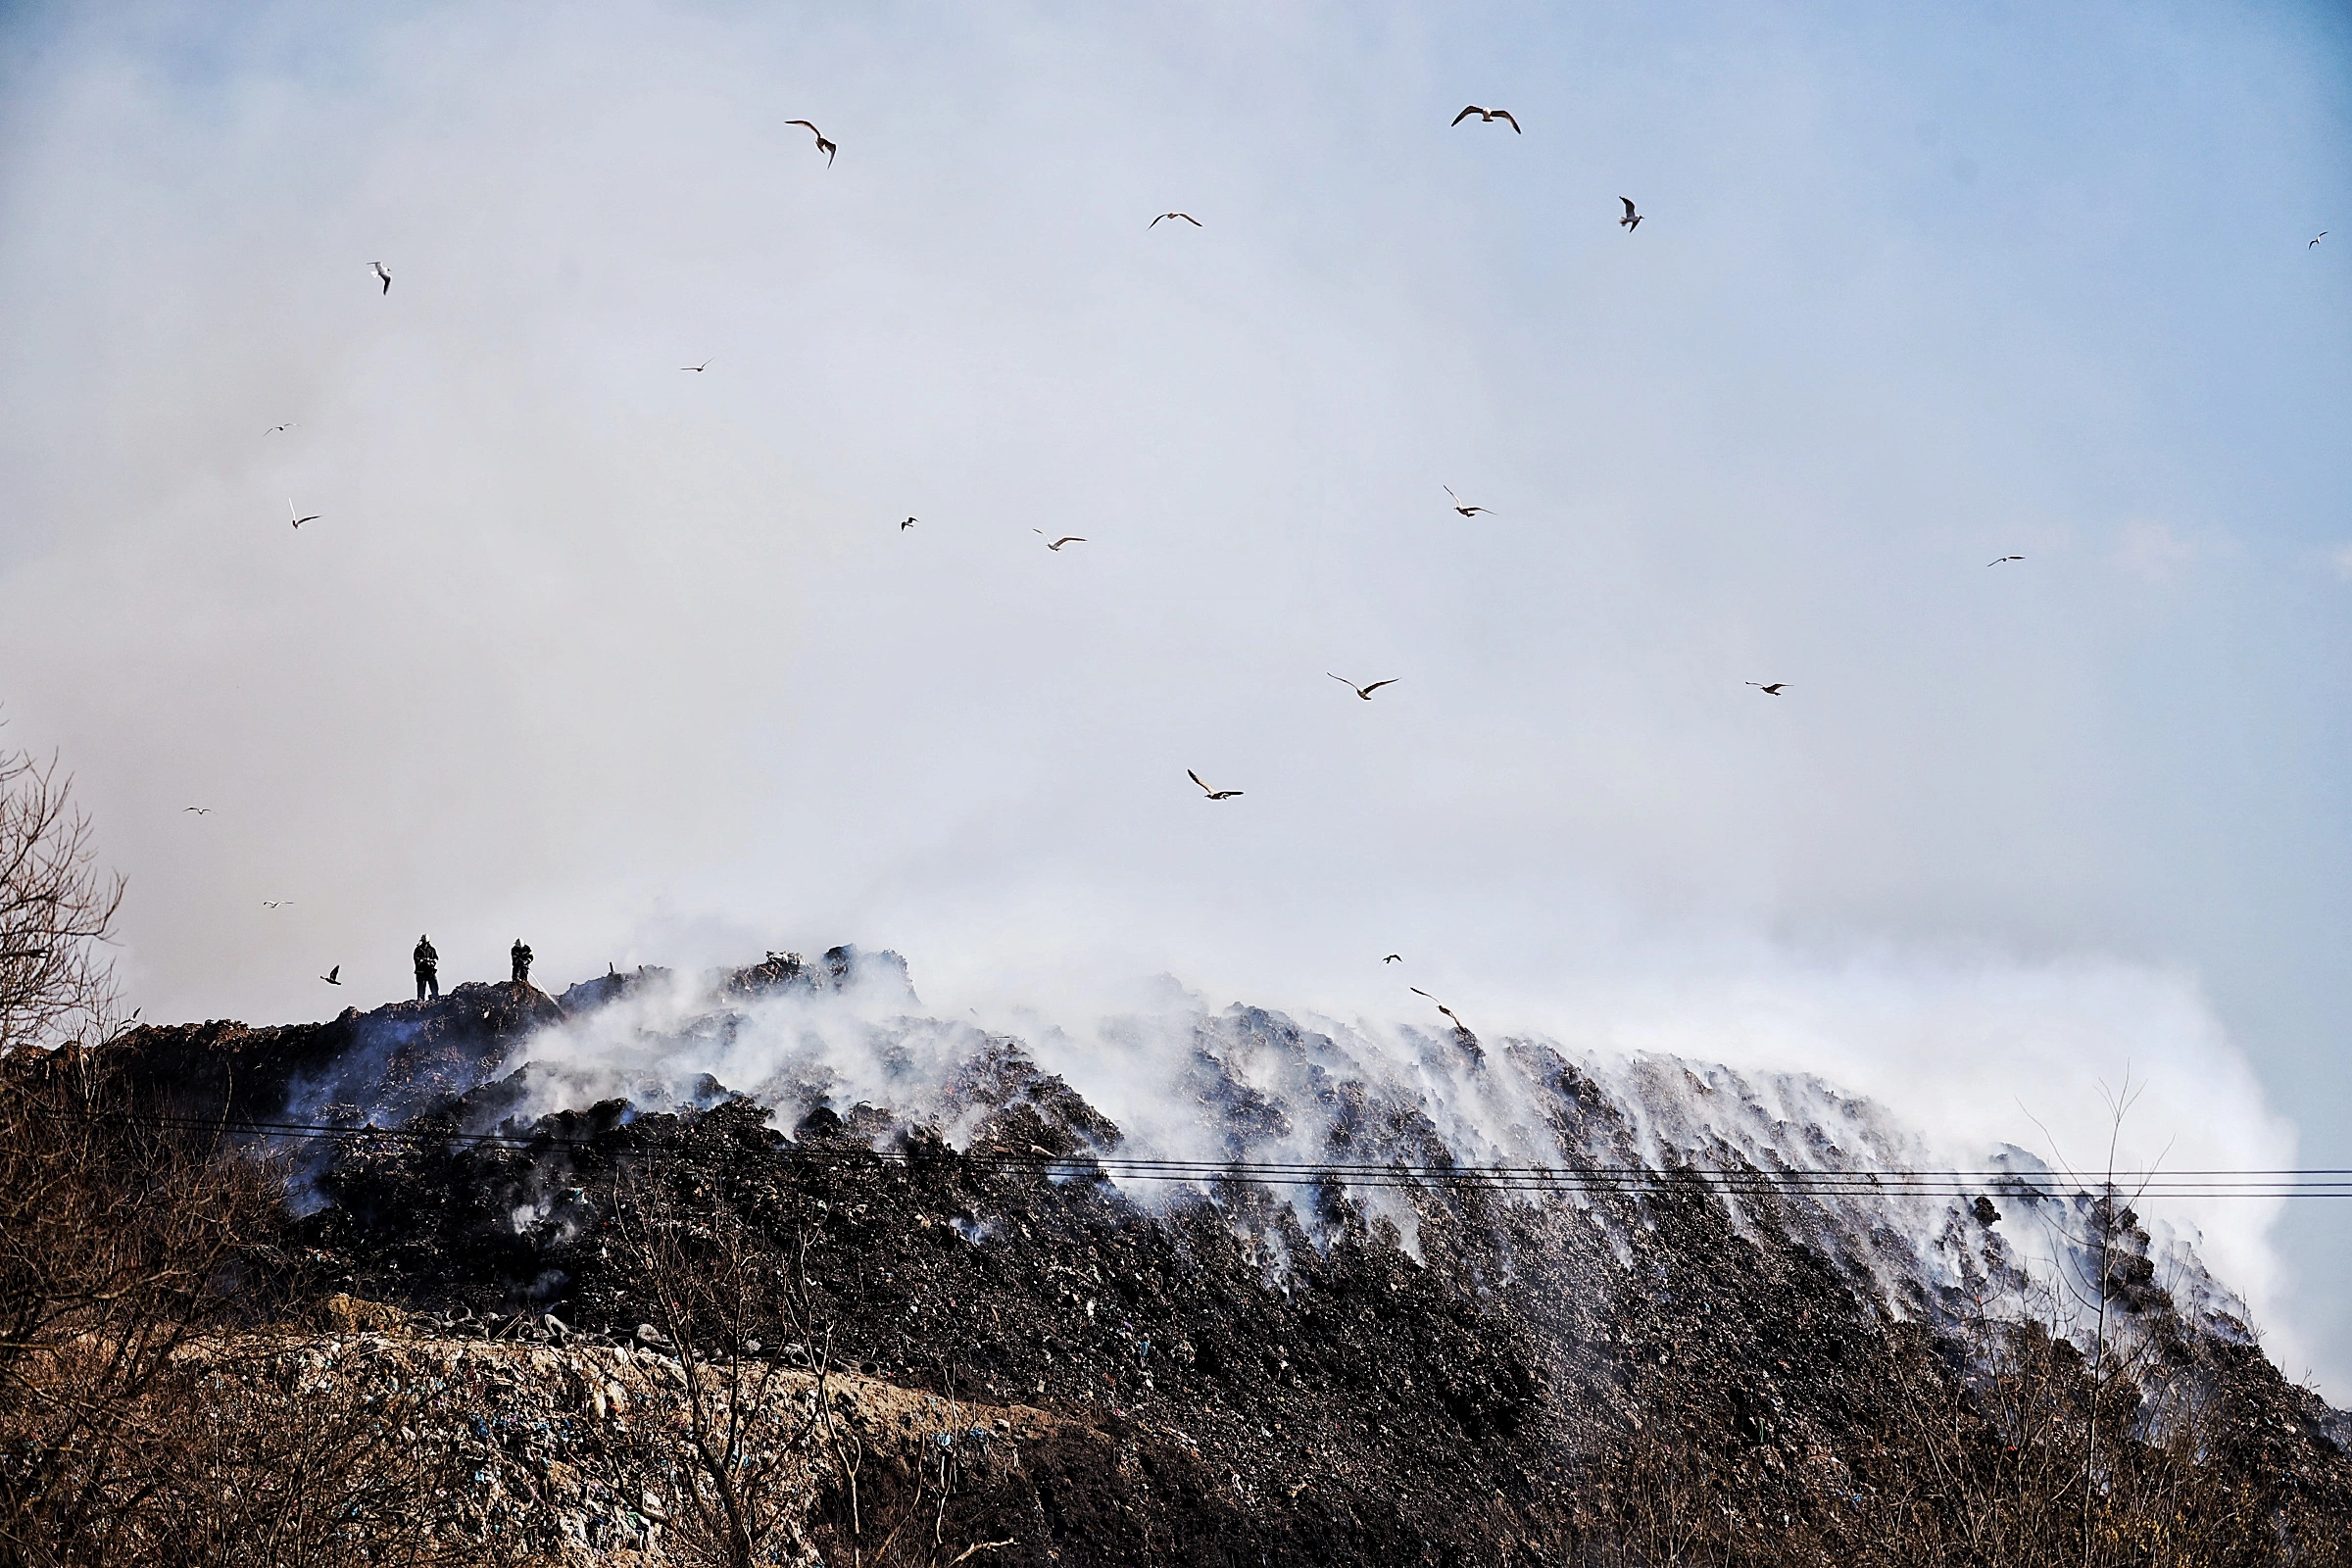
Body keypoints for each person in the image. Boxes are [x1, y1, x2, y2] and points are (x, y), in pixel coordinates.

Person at [414, 934, 439, 1001]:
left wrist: (433, 963)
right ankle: (420, 1001)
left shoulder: (432, 950)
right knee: (421, 989)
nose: (425, 944)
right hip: (421, 973)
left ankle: (435, 998)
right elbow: (417, 960)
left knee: (434, 986)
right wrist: (425, 963)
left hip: (430, 972)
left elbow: (436, 958)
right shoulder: (418, 950)